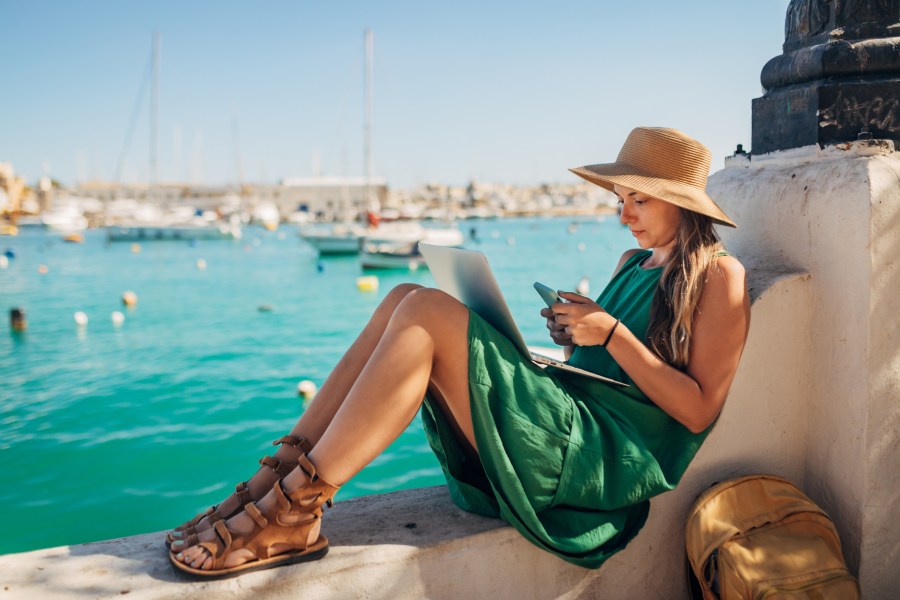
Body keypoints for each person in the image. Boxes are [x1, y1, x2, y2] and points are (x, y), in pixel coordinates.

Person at [168, 127, 751, 578]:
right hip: (570, 418)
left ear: (681, 203)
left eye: (639, 202)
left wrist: (613, 335)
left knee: (426, 310)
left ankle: (296, 512)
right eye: (620, 199)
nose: (623, 215)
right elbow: (609, 374)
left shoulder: (720, 278)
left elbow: (698, 411)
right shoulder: (632, 264)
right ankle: (278, 483)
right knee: (406, 293)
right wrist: (577, 337)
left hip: (599, 464)